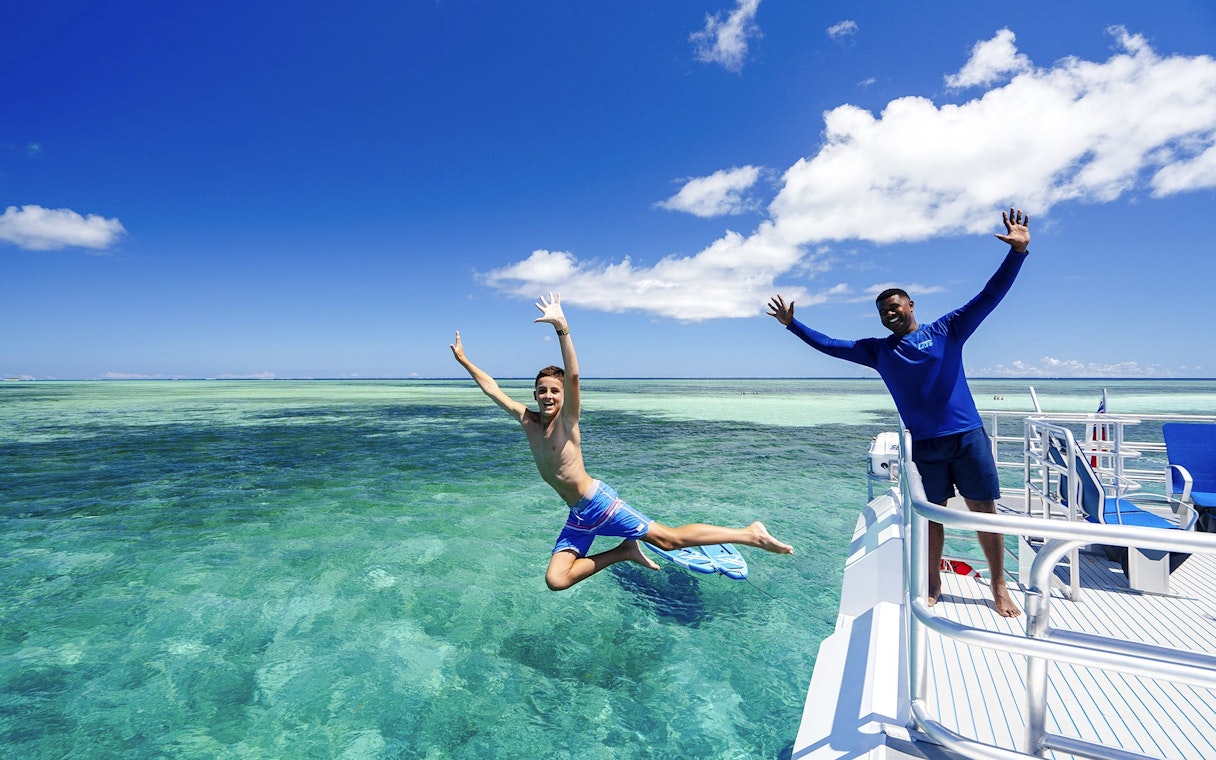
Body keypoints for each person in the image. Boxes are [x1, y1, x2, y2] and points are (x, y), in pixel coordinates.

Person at [766, 209, 1031, 618]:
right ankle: (933, 582)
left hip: (967, 436)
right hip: (925, 443)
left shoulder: (947, 330)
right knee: (932, 516)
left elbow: (989, 296)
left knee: (984, 512)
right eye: (883, 311)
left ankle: (999, 585)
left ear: (910, 304)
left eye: (895, 306)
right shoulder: (878, 351)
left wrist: (1017, 253)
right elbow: (830, 345)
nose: (889, 313)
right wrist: (792, 325)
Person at [451, 292, 794, 591]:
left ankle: (750, 534)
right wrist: (465, 361)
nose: (548, 396)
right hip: (578, 516)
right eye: (542, 390)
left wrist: (561, 327)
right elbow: (492, 387)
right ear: (534, 394)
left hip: (600, 504)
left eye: (554, 391)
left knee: (669, 540)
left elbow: (572, 375)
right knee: (556, 580)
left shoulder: (568, 421)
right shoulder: (527, 421)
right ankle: (623, 552)